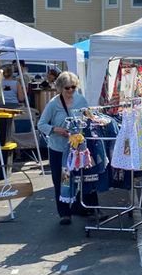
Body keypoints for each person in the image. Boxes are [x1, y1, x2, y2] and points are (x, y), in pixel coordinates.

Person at [37, 71, 98, 225]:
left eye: (73, 87)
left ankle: (90, 208)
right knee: (61, 180)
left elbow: (89, 118)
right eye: (67, 88)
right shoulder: (53, 104)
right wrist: (56, 130)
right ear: (60, 88)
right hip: (58, 149)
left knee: (85, 177)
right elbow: (41, 124)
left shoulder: (81, 100)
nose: (70, 90)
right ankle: (64, 213)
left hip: (77, 149)